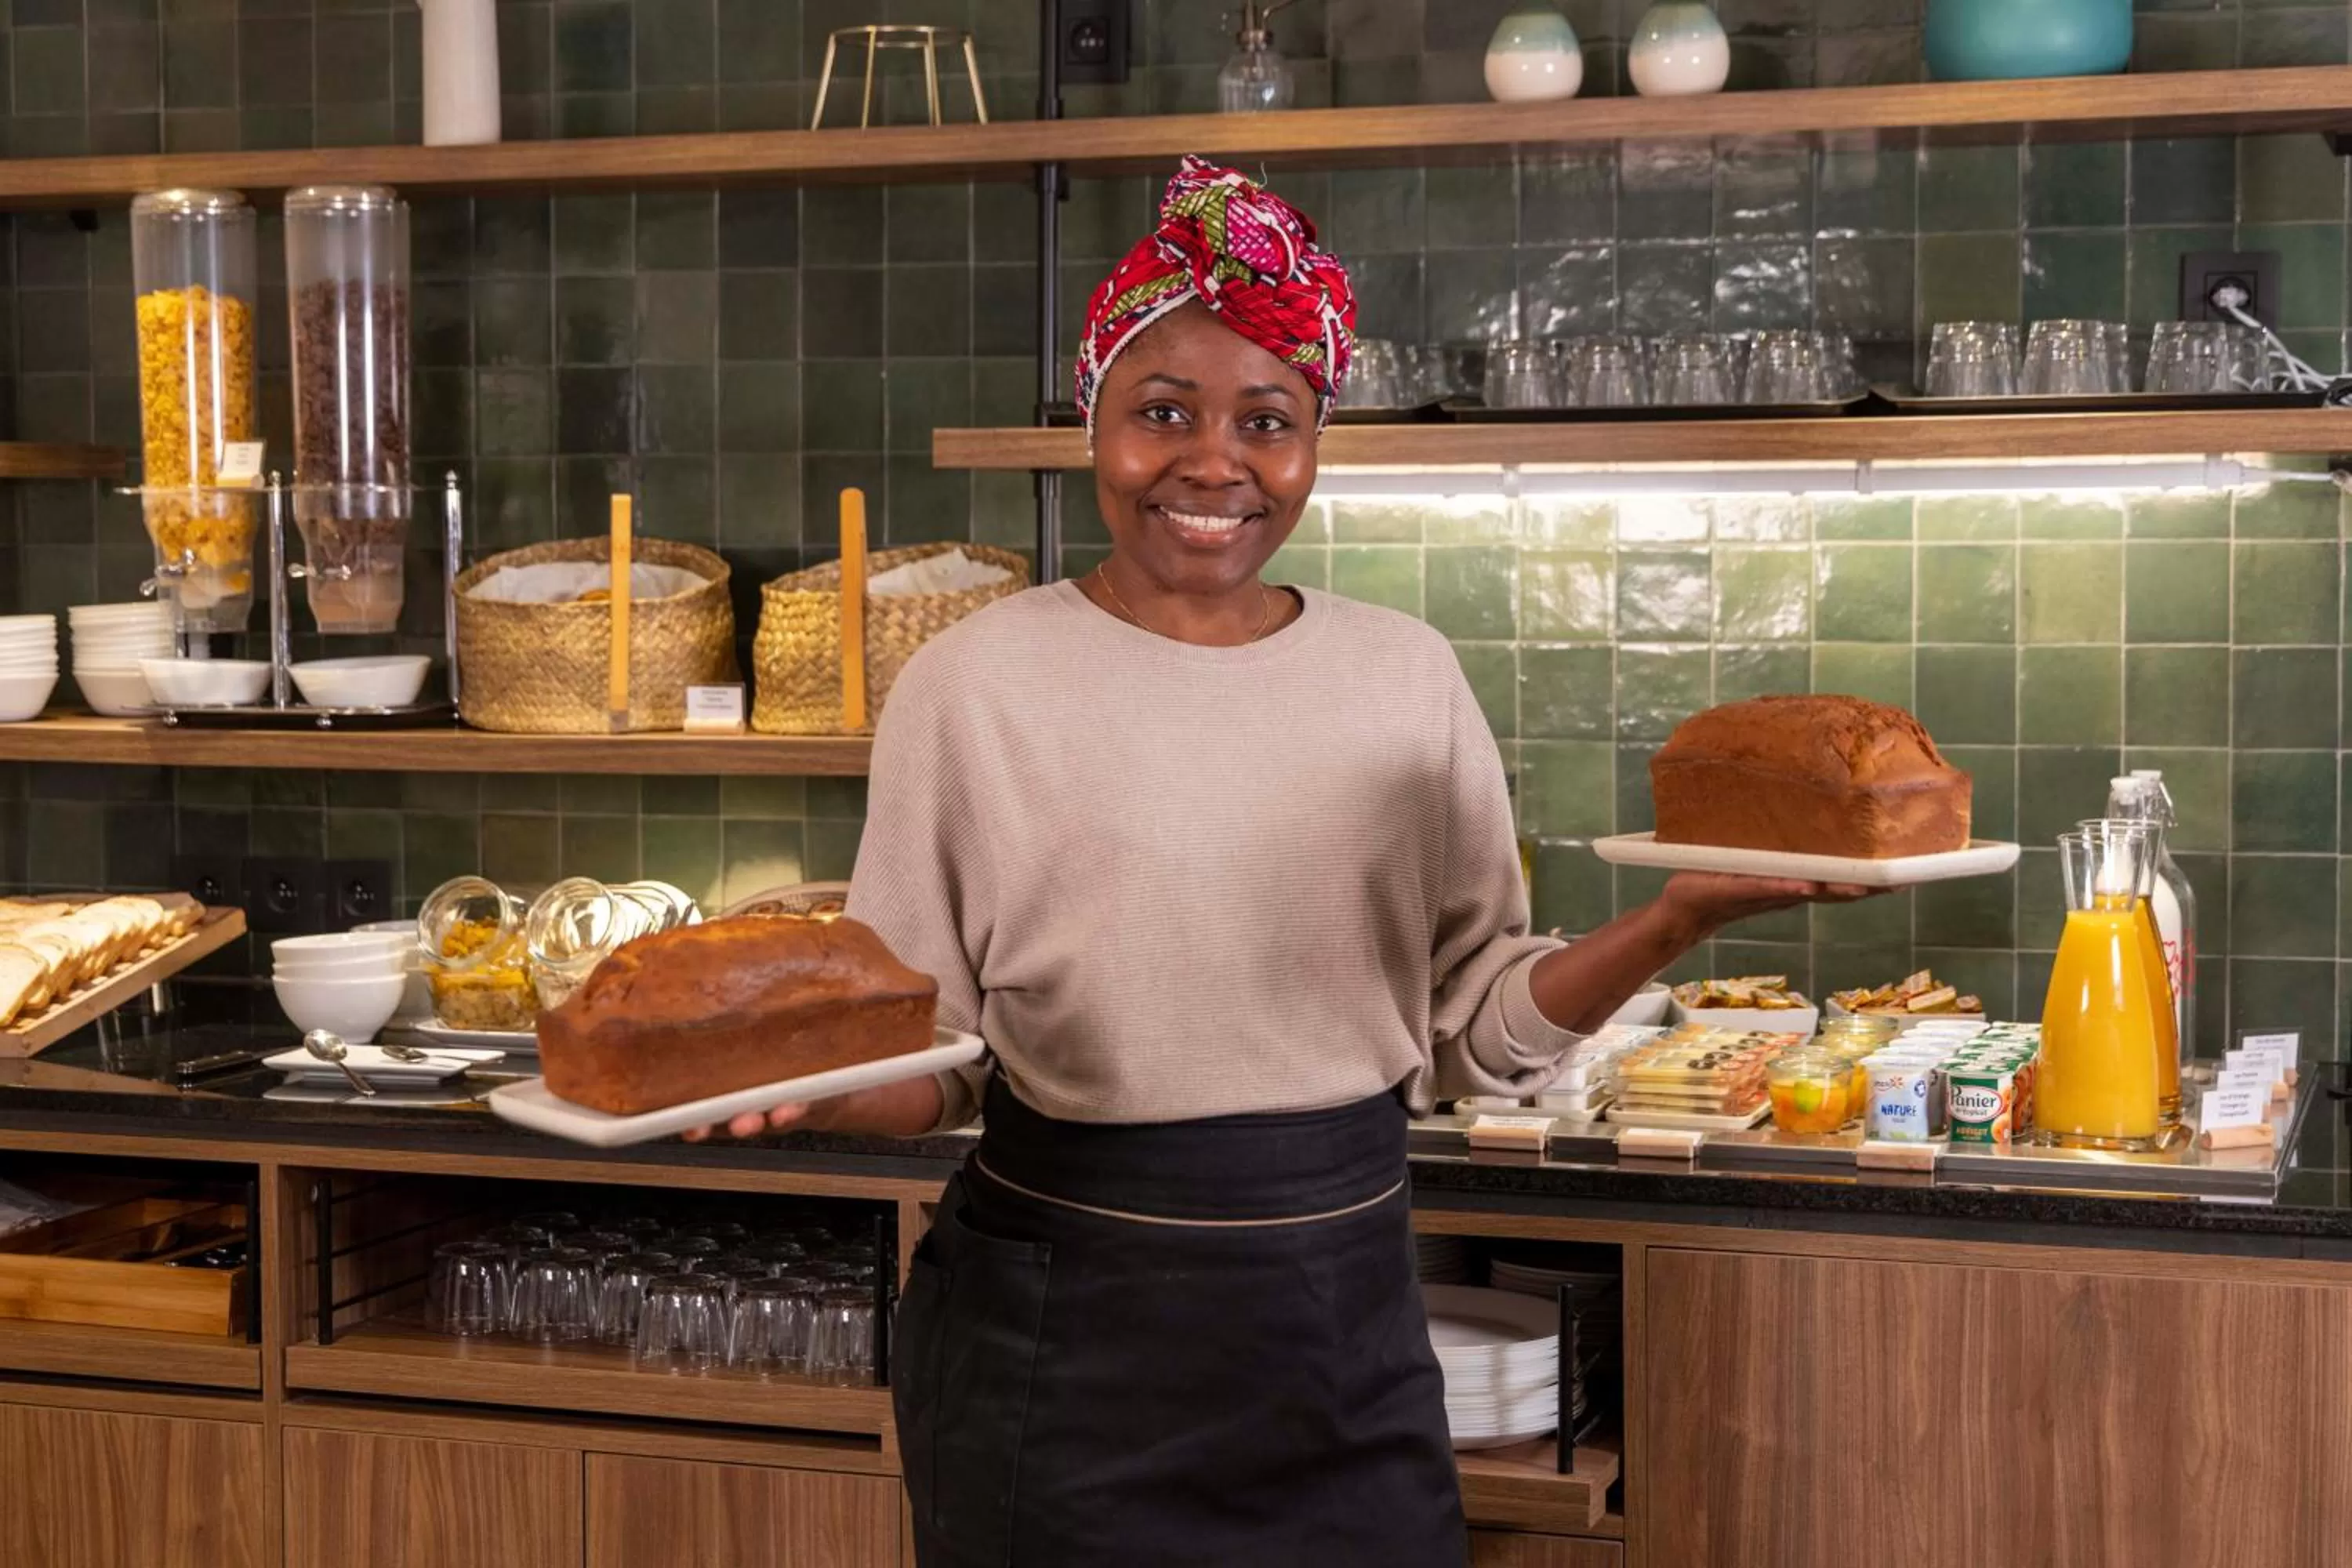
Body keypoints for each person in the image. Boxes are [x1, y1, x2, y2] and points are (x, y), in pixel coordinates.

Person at [691, 156, 1870, 1566]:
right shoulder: (974, 682)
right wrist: (803, 1089)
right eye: (1163, 412)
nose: (1214, 463)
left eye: (1270, 420)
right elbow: (928, 1051)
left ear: (1316, 444)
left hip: (1341, 1328)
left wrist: (1673, 924)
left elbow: (1472, 1032)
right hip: (1062, 1333)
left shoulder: (1404, 677)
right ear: (1092, 423)